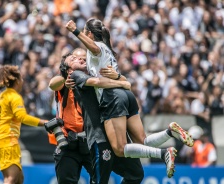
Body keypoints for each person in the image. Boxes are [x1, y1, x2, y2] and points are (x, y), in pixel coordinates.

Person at [66, 18, 194, 178]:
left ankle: (164, 153)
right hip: (126, 95)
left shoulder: (97, 47)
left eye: (85, 33)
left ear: (89, 34)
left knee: (120, 148)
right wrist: (122, 81)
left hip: (112, 97)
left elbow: (93, 48)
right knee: (143, 141)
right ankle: (169, 132)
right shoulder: (107, 50)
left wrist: (74, 31)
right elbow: (123, 80)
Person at [0, 65, 47, 184]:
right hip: (7, 139)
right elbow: (22, 117)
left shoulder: (1, 96)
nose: (22, 81)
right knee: (11, 178)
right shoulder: (14, 96)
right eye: (21, 78)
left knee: (19, 179)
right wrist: (44, 123)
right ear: (16, 80)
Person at [48, 48, 93, 184]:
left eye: (83, 59)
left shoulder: (94, 81)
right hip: (68, 143)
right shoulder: (63, 84)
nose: (80, 60)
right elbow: (52, 84)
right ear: (69, 70)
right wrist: (65, 80)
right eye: (74, 59)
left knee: (100, 179)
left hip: (90, 142)